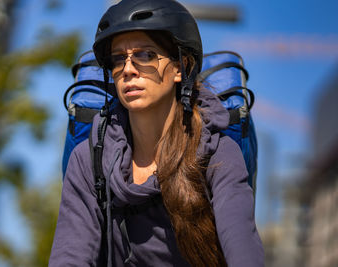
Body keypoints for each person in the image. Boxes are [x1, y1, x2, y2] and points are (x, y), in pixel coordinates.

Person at [49, 0, 264, 266]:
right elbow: (70, 258)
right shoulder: (90, 159)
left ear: (180, 66)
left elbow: (243, 249)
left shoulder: (218, 153)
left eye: (145, 55)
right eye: (118, 59)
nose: (128, 69)